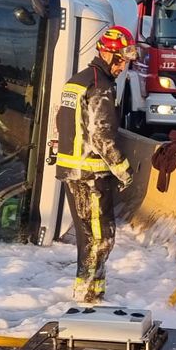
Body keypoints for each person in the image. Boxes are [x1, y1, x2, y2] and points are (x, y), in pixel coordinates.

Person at [55, 25, 137, 303]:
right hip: (90, 174)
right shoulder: (100, 87)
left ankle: (89, 293)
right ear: (107, 53)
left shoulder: (77, 80)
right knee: (101, 238)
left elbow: (62, 122)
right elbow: (102, 135)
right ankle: (88, 297)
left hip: (73, 170)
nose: (123, 66)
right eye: (121, 60)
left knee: (88, 237)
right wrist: (123, 169)